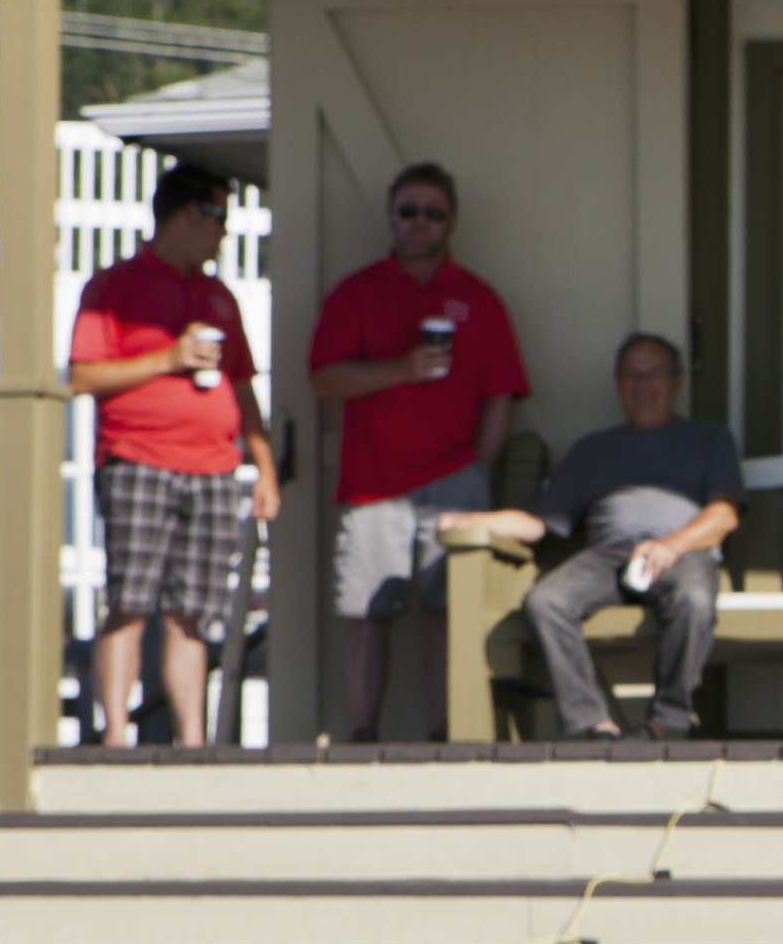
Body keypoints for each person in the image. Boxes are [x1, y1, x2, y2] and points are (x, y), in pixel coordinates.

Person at [309, 161, 531, 742]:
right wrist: (401, 370)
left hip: (456, 479)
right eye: (409, 211)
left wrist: (478, 469)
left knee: (450, 616)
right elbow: (324, 380)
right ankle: (363, 736)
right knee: (367, 615)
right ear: (390, 216)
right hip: (374, 482)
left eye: (433, 213)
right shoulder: (357, 292)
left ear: (451, 222)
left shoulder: (479, 299)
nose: (420, 223)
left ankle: (445, 738)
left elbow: (502, 395)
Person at [66, 160, 279, 747]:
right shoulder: (115, 287)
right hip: (138, 459)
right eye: (219, 218)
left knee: (192, 613)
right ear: (189, 215)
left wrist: (263, 467)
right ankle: (115, 736)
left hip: (212, 467)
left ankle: (192, 741)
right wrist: (168, 358)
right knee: (129, 600)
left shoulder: (218, 296)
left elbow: (243, 388)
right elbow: (82, 376)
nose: (224, 232)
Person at [451, 334, 740, 739]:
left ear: (676, 382)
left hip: (682, 551)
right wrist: (469, 521)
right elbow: (539, 522)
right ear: (618, 384)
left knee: (693, 600)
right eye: (630, 376)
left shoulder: (709, 440)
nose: (642, 386)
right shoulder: (593, 449)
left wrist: (670, 545)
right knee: (545, 602)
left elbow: (724, 514)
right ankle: (593, 725)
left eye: (653, 374)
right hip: (610, 556)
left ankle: (663, 724)